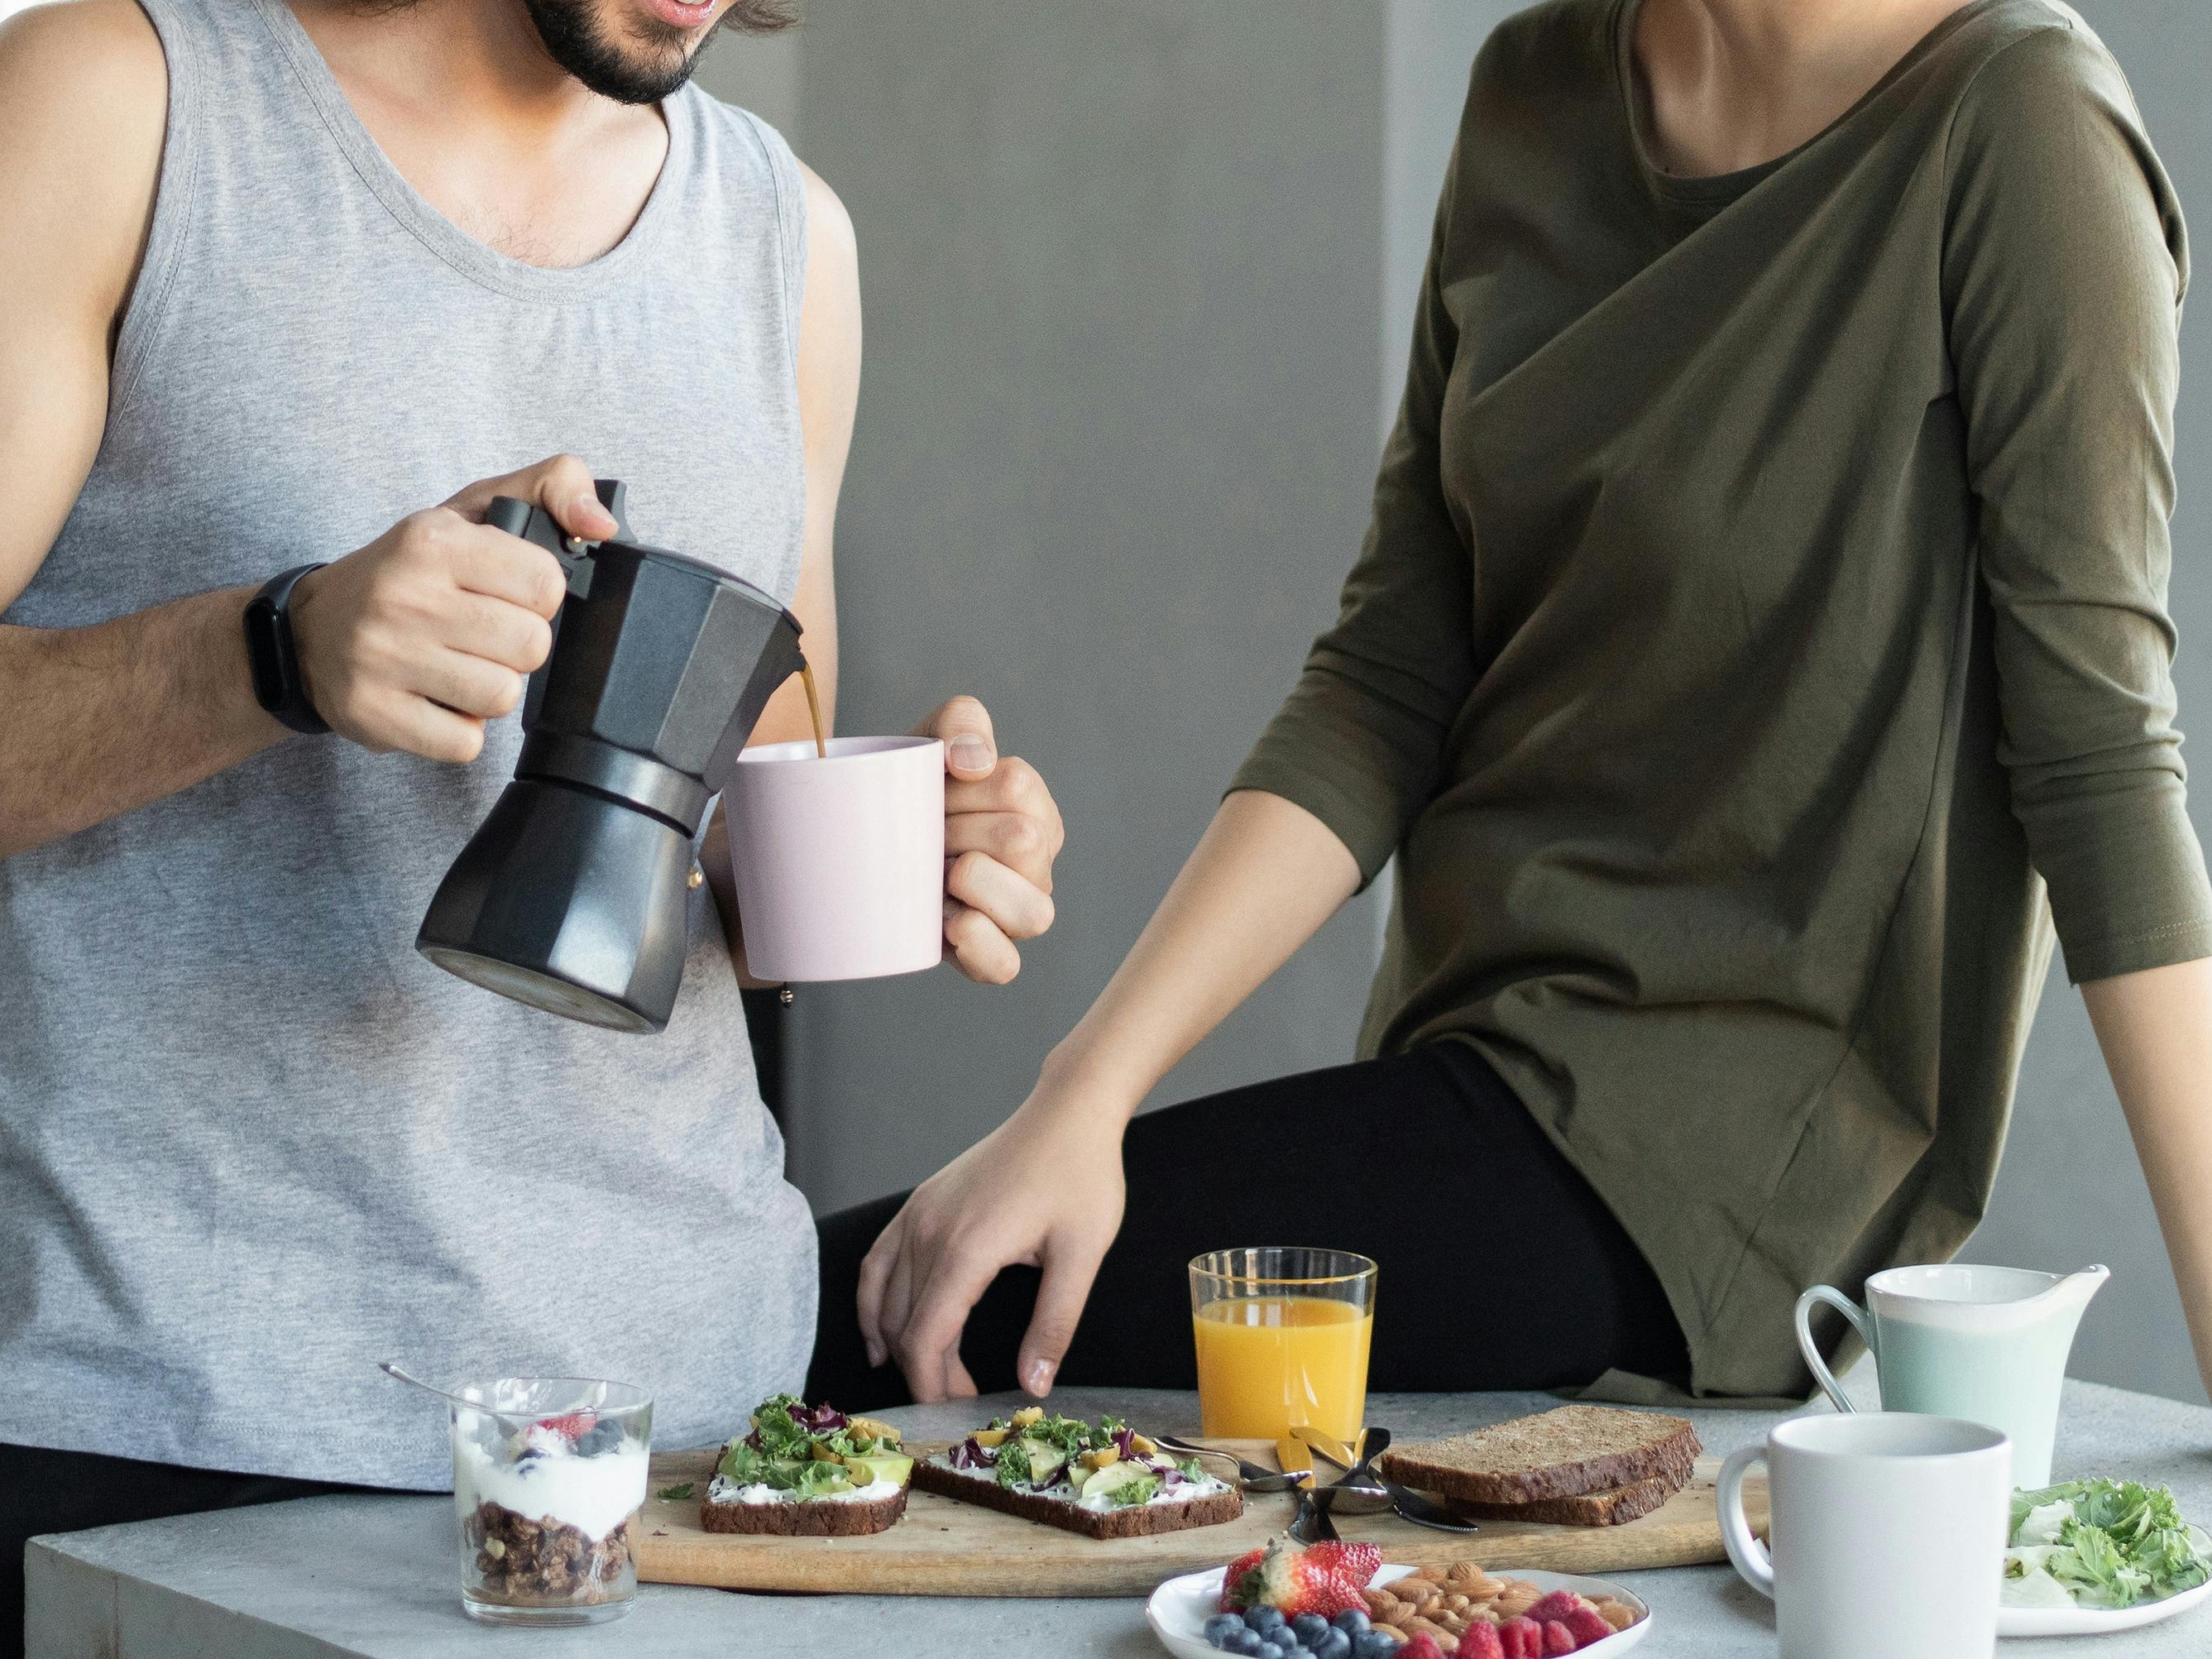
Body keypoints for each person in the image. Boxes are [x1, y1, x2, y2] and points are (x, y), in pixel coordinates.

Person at [813, 0, 2212, 1416]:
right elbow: (1386, 676)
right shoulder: (1531, 89)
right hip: (1454, 1081)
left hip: (1704, 1172)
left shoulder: (2021, 125)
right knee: (868, 1305)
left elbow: (2099, 761)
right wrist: (1083, 1093)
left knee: (840, 1315)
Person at [0, 0, 1062, 1642]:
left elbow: (735, 827)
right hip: (165, 1427)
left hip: (692, 1438)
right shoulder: (123, 100)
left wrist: (905, 855)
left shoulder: (787, 237)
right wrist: (270, 652)